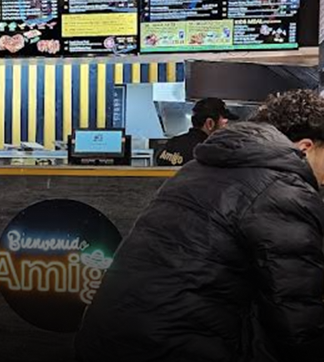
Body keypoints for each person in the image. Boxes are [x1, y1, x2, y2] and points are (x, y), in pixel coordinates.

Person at [75, 89, 324, 362]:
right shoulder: (283, 188)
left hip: (108, 337)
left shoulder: (196, 169)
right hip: (168, 347)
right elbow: (297, 319)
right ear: (305, 148)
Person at [155, 97, 237, 166]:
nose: (227, 129)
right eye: (225, 124)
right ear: (210, 123)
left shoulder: (170, 145)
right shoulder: (210, 153)